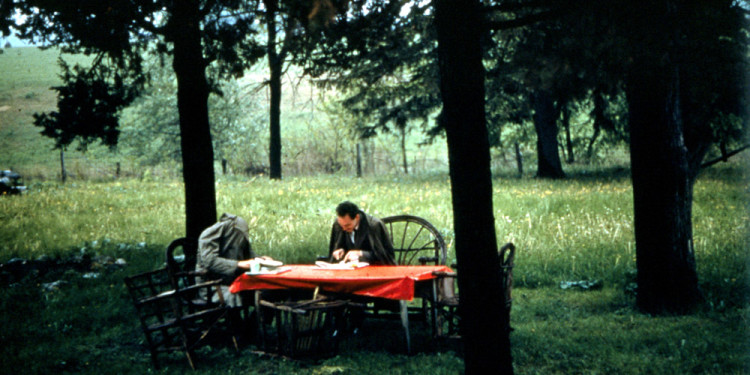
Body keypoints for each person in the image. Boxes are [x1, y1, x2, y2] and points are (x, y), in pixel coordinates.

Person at [196, 213, 275, 307]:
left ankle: (254, 321)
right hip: (211, 286)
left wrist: (262, 260)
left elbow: (248, 256)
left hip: (231, 281)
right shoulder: (207, 237)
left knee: (268, 291)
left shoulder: (236, 239)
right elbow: (210, 262)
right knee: (234, 296)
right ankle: (237, 321)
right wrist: (238, 264)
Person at [328, 201, 396, 265]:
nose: (344, 229)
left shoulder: (373, 226)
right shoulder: (339, 224)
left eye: (347, 225)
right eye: (341, 226)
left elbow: (385, 257)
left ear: (357, 217)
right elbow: (338, 246)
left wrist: (360, 253)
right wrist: (340, 250)